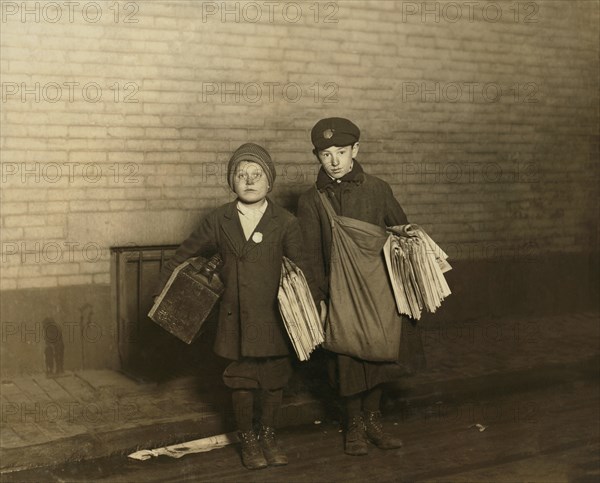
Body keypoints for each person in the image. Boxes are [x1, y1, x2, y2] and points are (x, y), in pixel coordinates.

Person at [156, 143, 307, 470]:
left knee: (273, 379)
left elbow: (305, 269)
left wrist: (315, 306)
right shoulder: (218, 219)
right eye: (241, 174)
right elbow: (182, 257)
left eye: (257, 175)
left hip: (274, 318)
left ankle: (268, 435)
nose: (249, 181)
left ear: (270, 182)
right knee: (241, 379)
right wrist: (164, 294)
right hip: (234, 317)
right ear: (231, 181)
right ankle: (248, 439)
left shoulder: (285, 221)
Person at [297, 117, 426, 456]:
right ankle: (353, 425)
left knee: (379, 356)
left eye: (341, 151)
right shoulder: (311, 200)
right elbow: (309, 253)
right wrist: (319, 297)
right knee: (347, 360)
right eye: (326, 154)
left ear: (356, 149)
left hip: (380, 288)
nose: (335, 161)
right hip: (338, 291)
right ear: (317, 157)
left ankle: (373, 419)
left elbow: (401, 231)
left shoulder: (378, 189)